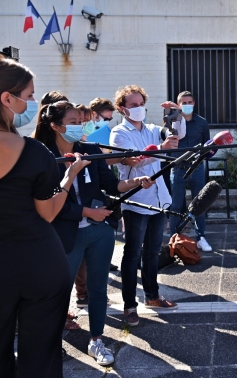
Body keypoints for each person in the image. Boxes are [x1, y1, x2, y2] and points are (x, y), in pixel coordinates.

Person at [0, 52, 88, 377]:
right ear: (7, 98)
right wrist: (70, 175)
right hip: (40, 266)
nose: (32, 102)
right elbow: (47, 213)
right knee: (42, 361)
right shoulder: (34, 152)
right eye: (30, 95)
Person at [33, 100, 154, 365]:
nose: (80, 127)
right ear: (55, 126)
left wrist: (135, 181)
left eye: (80, 122)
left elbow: (111, 185)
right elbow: (46, 202)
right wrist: (86, 212)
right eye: (73, 123)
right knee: (57, 292)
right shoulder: (43, 156)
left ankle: (97, 340)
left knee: (98, 289)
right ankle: (51, 344)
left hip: (99, 232)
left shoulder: (89, 150)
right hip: (64, 235)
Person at [110, 84, 180, 327]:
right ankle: (130, 305)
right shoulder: (119, 133)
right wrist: (161, 149)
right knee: (132, 255)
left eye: (141, 104)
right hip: (137, 200)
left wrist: (176, 116)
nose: (139, 109)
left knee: (152, 252)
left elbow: (174, 138)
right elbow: (136, 162)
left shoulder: (152, 129)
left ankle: (153, 296)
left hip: (159, 199)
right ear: (122, 109)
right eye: (133, 105)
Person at [167, 91, 212, 251]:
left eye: (189, 102)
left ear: (194, 103)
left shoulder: (202, 123)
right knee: (176, 205)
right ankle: (174, 238)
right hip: (178, 168)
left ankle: (201, 237)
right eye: (183, 102)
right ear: (178, 104)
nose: (187, 105)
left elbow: (208, 145)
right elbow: (166, 141)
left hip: (197, 168)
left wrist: (210, 151)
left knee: (199, 203)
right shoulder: (172, 121)